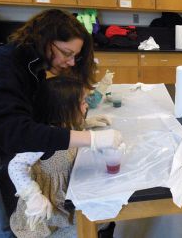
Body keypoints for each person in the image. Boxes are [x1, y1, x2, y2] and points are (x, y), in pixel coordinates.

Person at [0, 9, 122, 237]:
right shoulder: (4, 65)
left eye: (75, 56)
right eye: (66, 52)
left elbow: (40, 118)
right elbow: (15, 133)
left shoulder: (34, 65)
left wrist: (81, 123)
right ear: (45, 39)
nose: (70, 62)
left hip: (17, 159)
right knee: (11, 224)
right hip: (3, 155)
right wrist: (90, 139)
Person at [9, 76, 112, 237]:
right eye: (83, 102)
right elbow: (15, 166)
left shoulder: (63, 124)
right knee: (97, 222)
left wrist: (86, 123)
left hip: (65, 201)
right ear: (65, 109)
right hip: (47, 216)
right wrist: (32, 196)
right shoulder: (44, 138)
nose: (87, 106)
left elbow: (68, 131)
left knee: (104, 218)